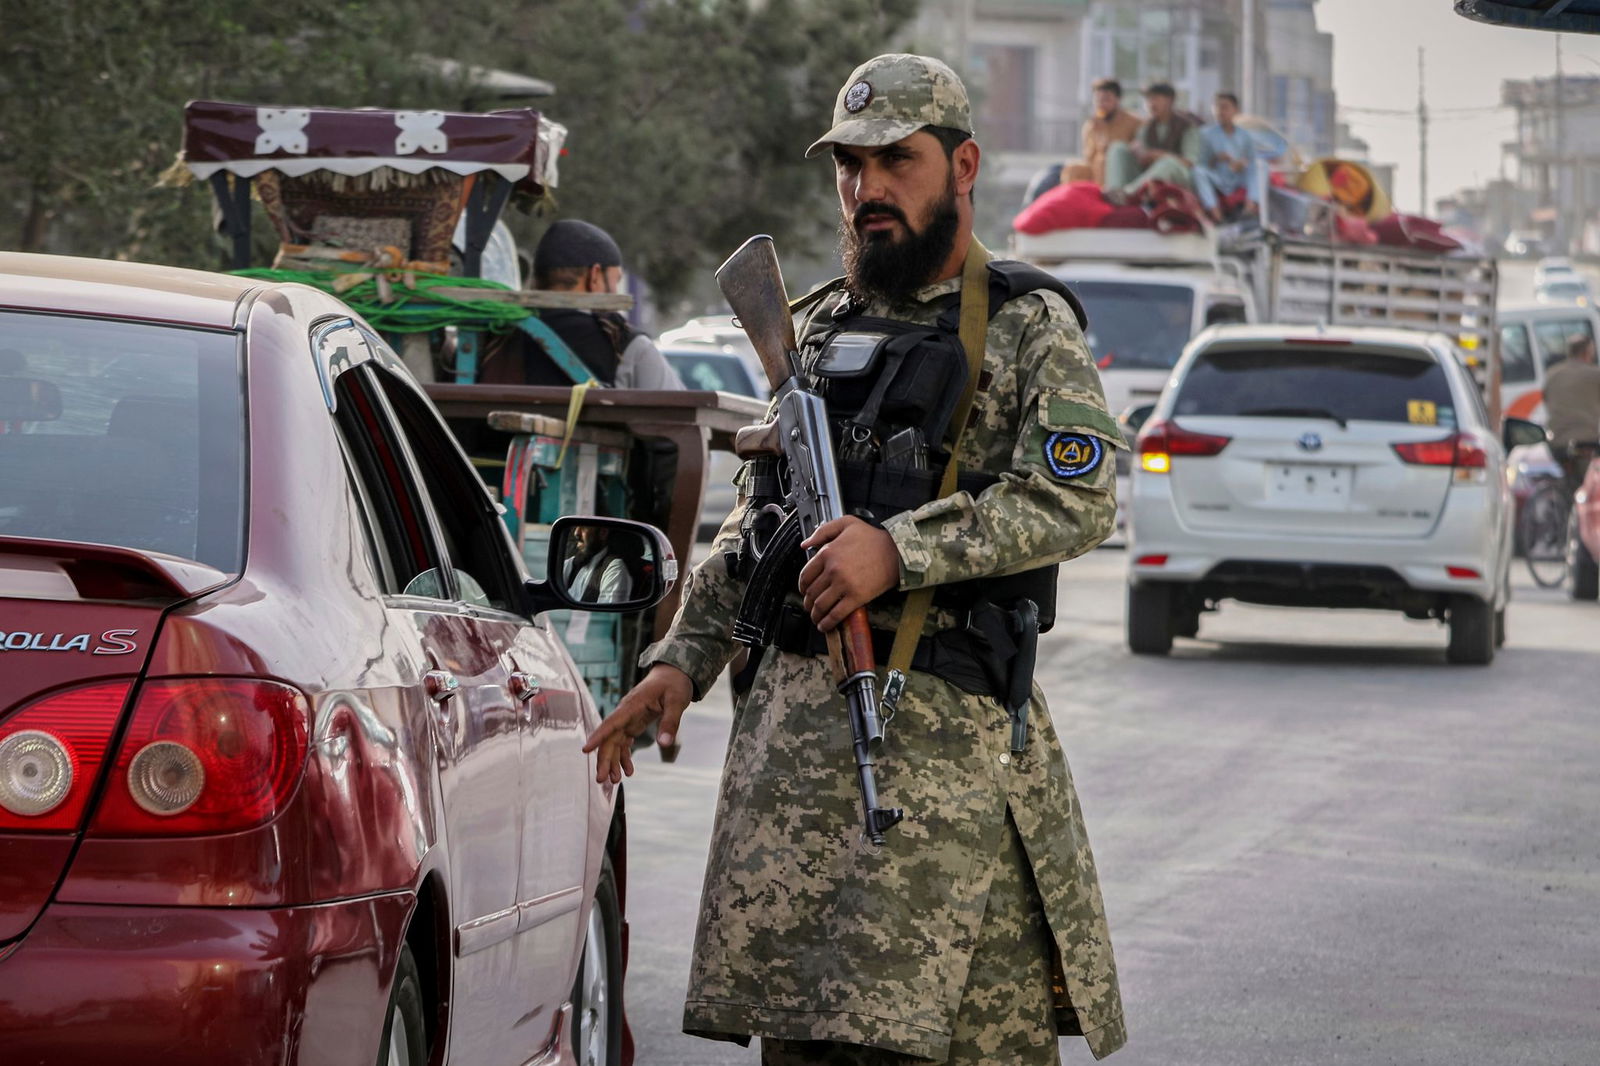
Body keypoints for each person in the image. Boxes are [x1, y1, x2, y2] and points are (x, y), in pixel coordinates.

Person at [584, 51, 1127, 1066]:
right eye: (849, 166)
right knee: (807, 1048)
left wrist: (899, 550)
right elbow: (759, 522)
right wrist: (679, 660)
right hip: (793, 779)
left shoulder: (1024, 327)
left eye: (897, 163)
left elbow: (1077, 496)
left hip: (943, 779)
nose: (868, 190)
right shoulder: (818, 327)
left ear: (963, 166)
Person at [481, 218, 684, 390]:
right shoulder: (624, 344)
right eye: (615, 280)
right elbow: (680, 419)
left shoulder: (491, 335)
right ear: (594, 276)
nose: (614, 291)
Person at [1102, 82, 1200, 202]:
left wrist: (1159, 155)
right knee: (1118, 148)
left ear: (1170, 101)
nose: (1150, 104)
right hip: (1150, 176)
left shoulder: (1187, 126)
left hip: (1179, 176)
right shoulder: (1146, 127)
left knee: (1168, 163)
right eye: (1147, 99)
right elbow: (1142, 157)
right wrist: (1138, 153)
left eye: (1155, 99)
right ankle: (1114, 191)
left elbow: (1189, 163)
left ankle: (1128, 193)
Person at [1194, 92, 1263, 224]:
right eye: (1217, 107)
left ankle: (1250, 206)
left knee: (1261, 167)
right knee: (1197, 172)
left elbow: (1251, 162)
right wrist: (1215, 159)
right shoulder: (1205, 134)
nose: (1220, 112)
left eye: (1225, 107)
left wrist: (1242, 164)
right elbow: (1201, 163)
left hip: (1237, 177)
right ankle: (1216, 213)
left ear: (1235, 110)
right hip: (1218, 177)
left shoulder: (1245, 136)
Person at [1544, 333, 1600, 487]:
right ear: (1587, 353)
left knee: (1569, 481)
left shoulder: (1552, 374)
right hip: (1586, 444)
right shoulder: (1595, 375)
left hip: (1557, 444)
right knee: (1588, 483)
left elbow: (1548, 403)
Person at [1063, 78, 1140, 186]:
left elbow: (1137, 151)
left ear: (1118, 100)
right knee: (1073, 168)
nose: (1101, 104)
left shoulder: (1134, 122)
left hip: (1122, 172)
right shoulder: (1091, 125)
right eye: (1097, 100)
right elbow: (1088, 157)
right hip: (1095, 171)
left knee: (1103, 161)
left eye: (1106, 100)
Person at [564, 523, 634, 604]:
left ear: (603, 533)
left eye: (584, 527)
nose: (576, 533)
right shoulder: (571, 563)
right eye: (576, 526)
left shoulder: (615, 569)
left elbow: (607, 613)